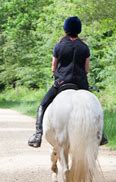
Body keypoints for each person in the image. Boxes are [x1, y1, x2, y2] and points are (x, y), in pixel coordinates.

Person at [28, 16, 108, 148]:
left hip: (61, 83)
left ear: (65, 29)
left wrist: (57, 74)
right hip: (81, 84)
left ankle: (37, 135)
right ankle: (101, 134)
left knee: (42, 105)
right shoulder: (84, 47)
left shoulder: (59, 46)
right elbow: (86, 68)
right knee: (93, 106)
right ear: (79, 30)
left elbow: (53, 66)